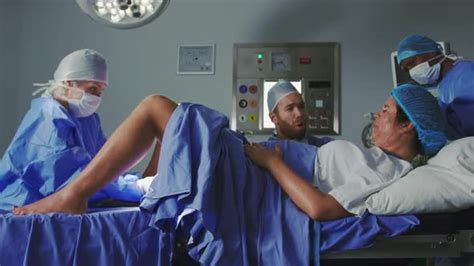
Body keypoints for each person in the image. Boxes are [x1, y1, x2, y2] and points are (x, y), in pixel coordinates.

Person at [11, 83, 446, 219]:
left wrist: (274, 162)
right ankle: (84, 190)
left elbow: (319, 209)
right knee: (168, 119)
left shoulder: (388, 170)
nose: (377, 113)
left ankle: (74, 195)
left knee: (158, 110)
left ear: (408, 125)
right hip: (263, 163)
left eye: (386, 111)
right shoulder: (372, 159)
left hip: (267, 172)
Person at [0, 49, 149, 211]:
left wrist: (133, 181)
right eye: (93, 89)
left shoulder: (89, 120)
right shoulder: (48, 118)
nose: (98, 96)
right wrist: (134, 188)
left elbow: (103, 166)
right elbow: (73, 181)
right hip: (20, 205)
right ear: (69, 82)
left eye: (101, 90)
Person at [397, 34, 474, 140]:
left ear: (430, 52)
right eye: (407, 70)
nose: (412, 71)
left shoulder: (466, 73)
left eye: (412, 63)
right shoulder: (444, 85)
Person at [267, 79, 333, 146]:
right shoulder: (265, 152)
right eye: (290, 109)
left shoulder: (326, 146)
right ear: (274, 118)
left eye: (301, 106)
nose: (299, 114)